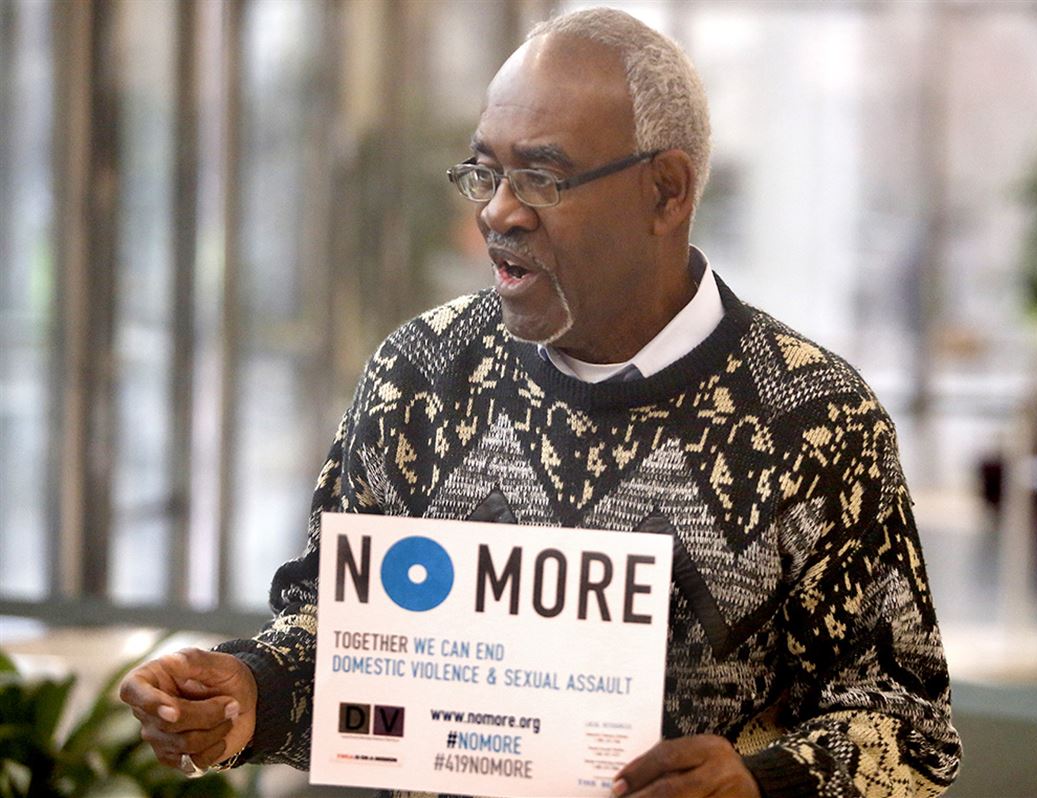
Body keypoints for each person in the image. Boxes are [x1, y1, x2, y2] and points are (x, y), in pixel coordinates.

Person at [120, 7, 961, 797]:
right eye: (486, 171)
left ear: (666, 192)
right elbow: (338, 642)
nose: (498, 211)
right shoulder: (420, 375)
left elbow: (910, 731)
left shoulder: (812, 419)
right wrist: (245, 693)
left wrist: (760, 784)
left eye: (542, 178)